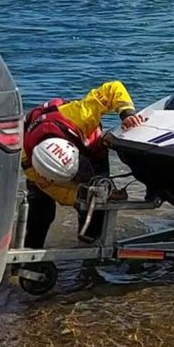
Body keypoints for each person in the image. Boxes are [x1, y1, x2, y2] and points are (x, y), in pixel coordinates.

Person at [22, 81, 146, 248]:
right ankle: (31, 256)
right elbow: (66, 196)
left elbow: (113, 88)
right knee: (40, 209)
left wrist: (127, 114)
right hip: (44, 172)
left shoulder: (78, 114)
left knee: (97, 206)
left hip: (91, 149)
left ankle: (90, 252)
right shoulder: (31, 167)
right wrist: (83, 194)